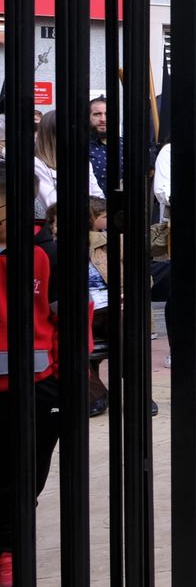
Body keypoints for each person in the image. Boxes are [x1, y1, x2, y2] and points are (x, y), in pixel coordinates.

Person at [0, 165, 76, 582]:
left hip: (36, 390)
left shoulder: (48, 252)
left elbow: (71, 319)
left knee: (21, 482)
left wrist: (66, 382)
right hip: (35, 388)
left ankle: (9, 558)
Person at [33, 110, 105, 222]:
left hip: (89, 223)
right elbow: (52, 204)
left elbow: (97, 195)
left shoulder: (81, 160)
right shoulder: (37, 164)